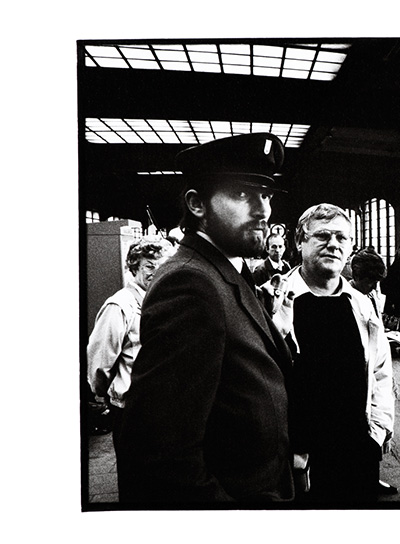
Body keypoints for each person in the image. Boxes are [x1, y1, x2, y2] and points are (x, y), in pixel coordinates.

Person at [115, 133, 295, 504]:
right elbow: (161, 455)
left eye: (267, 195)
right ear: (197, 204)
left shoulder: (223, 270)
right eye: (243, 195)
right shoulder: (190, 284)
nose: (263, 210)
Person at [273, 203, 396, 503]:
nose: (333, 244)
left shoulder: (361, 304)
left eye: (342, 238)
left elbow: (381, 371)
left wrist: (378, 430)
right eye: (323, 236)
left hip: (357, 450)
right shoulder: (273, 300)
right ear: (299, 241)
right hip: (298, 457)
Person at [85, 238, 171, 447]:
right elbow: (100, 362)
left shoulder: (163, 300)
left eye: (162, 266)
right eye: (149, 266)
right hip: (131, 410)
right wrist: (104, 394)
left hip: (162, 408)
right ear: (134, 267)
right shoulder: (119, 306)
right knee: (134, 473)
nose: (156, 272)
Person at [347, 248, 400, 496]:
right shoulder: (347, 300)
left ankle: (372, 476)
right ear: (356, 275)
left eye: (377, 282)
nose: (374, 286)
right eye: (370, 281)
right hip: (361, 377)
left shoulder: (370, 296)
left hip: (379, 370)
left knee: (380, 424)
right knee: (366, 430)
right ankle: (364, 479)